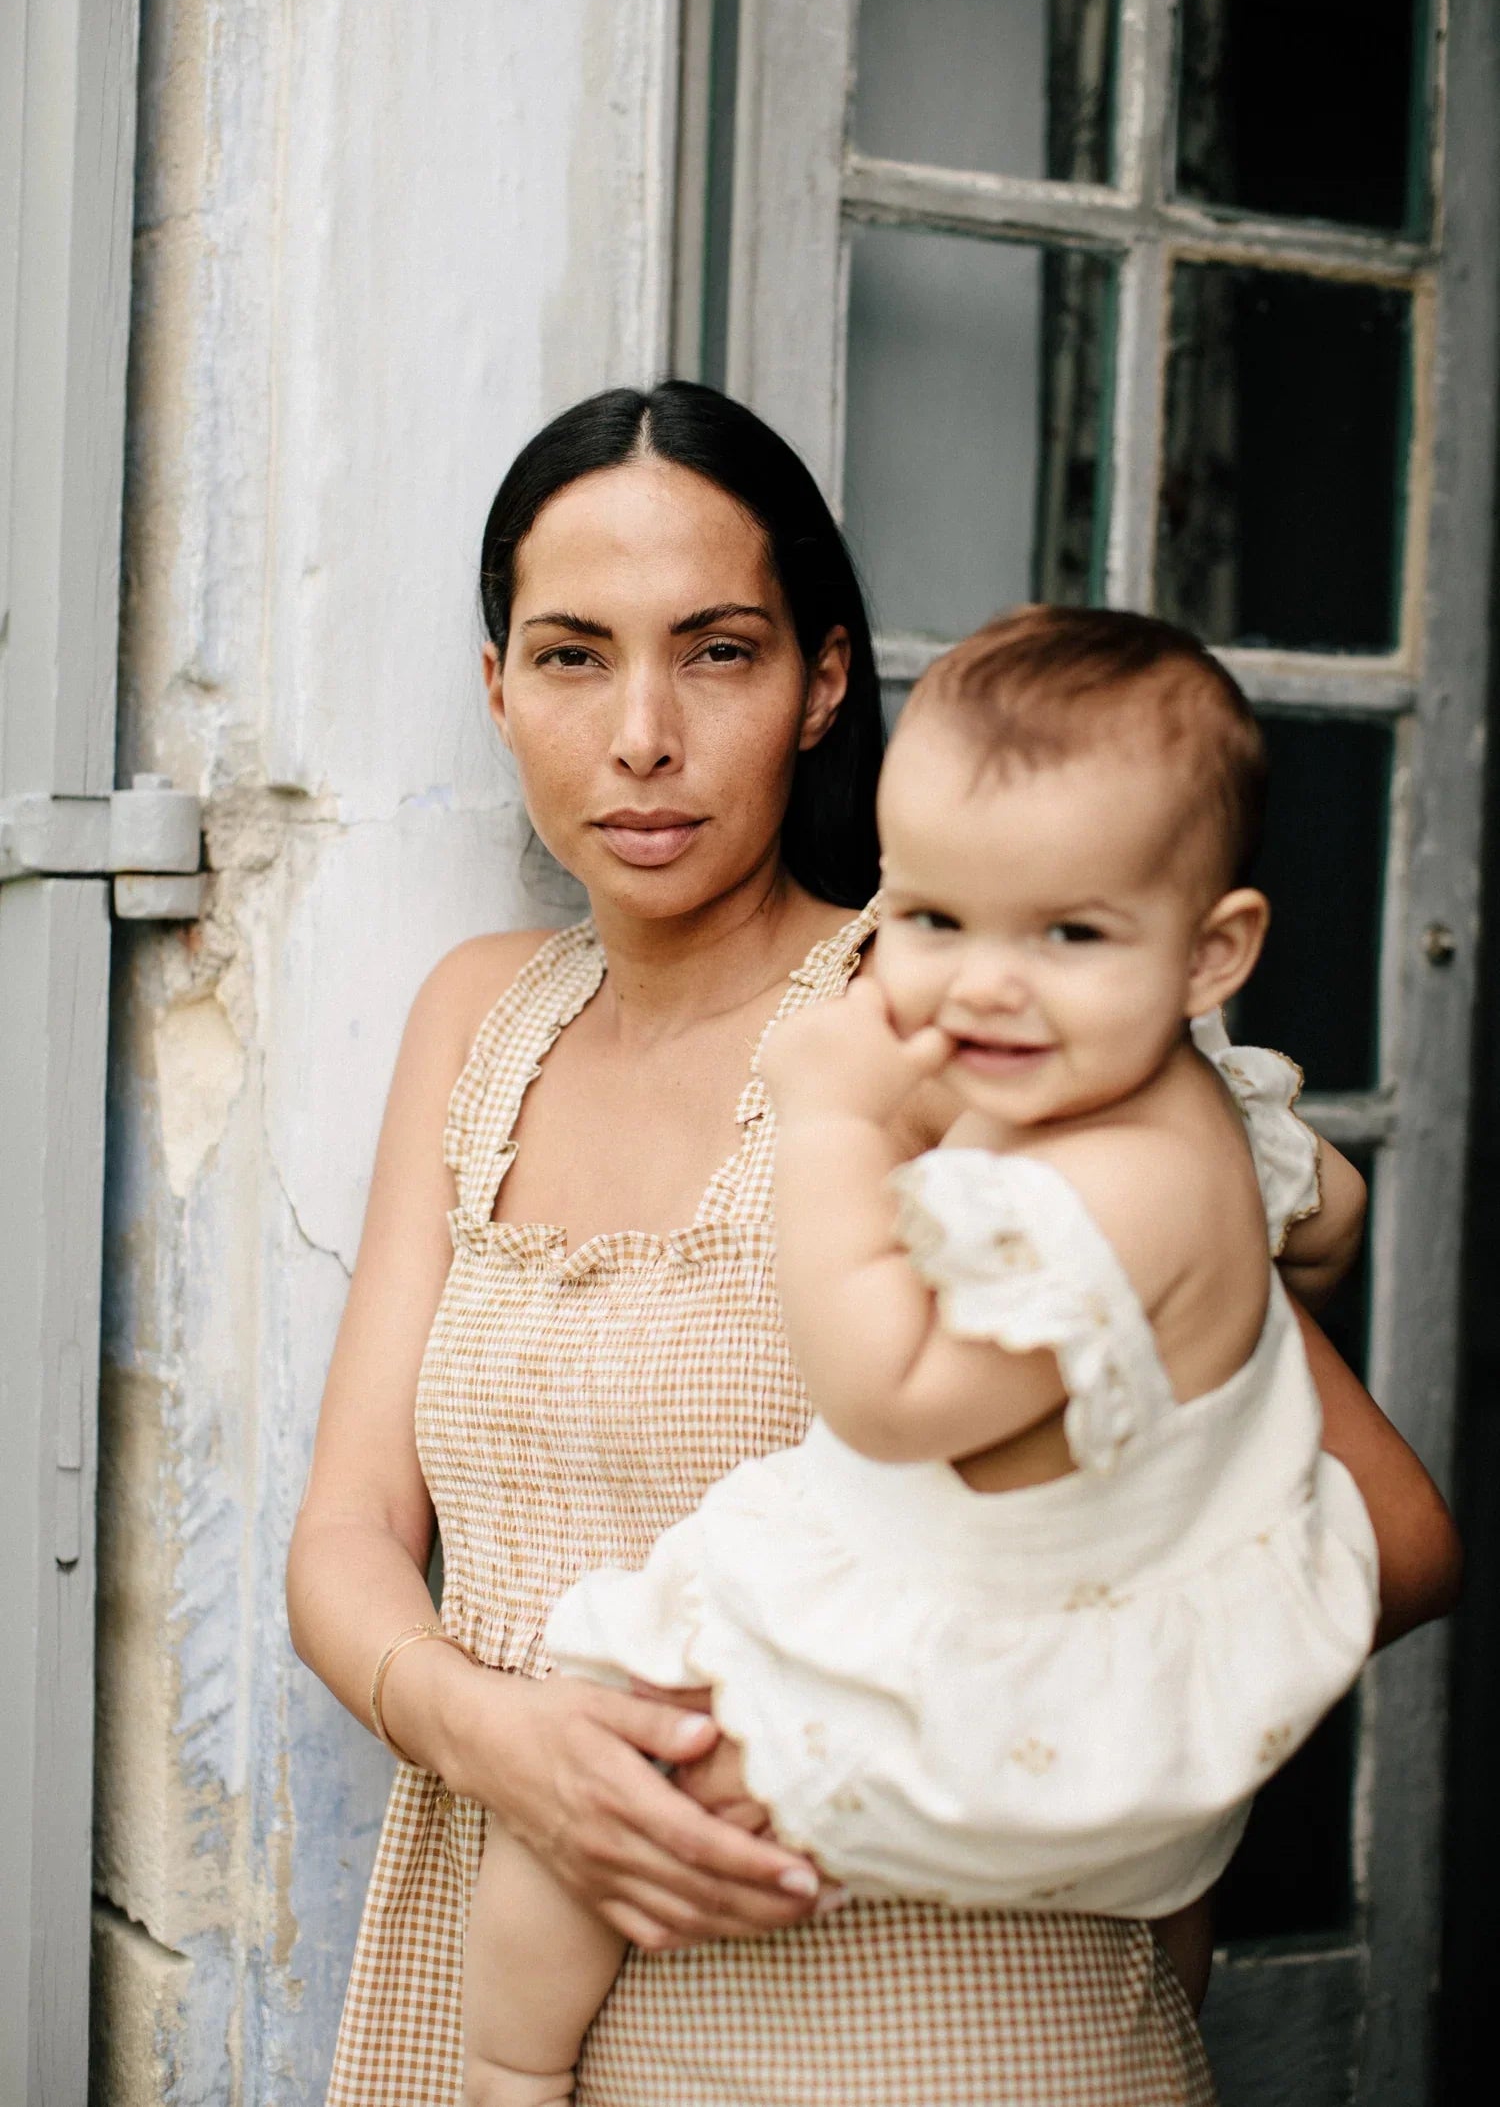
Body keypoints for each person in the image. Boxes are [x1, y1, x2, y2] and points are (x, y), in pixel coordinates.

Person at [287, 384, 1461, 2107]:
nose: (640, 734)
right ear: (496, 686)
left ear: (824, 681)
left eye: (718, 651)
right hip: (504, 1985)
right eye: (569, 655)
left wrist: (918, 1725)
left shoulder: (968, 1020)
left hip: (937, 2020)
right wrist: (508, 1744)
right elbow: (347, 1533)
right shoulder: (482, 1016)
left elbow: (1390, 1534)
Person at [465, 607, 1381, 2104]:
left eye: (1069, 933)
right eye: (938, 921)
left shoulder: (1122, 1182)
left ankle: (507, 2068)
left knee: (627, 1718)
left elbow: (890, 1400)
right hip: (1096, 1654)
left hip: (982, 1678)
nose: (982, 988)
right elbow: (1327, 1211)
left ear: (1216, 951)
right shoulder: (1214, 1132)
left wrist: (831, 1119)